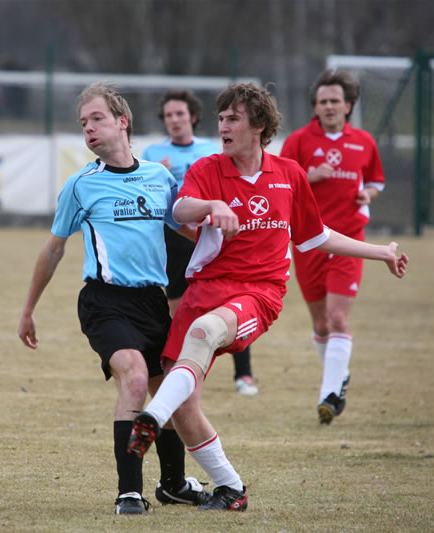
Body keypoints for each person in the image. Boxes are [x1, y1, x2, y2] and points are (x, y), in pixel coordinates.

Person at [126, 82, 408, 511]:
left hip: (260, 293)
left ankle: (150, 419)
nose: (223, 125)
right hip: (205, 289)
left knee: (202, 333)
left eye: (233, 118)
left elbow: (316, 237)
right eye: (220, 118)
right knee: (182, 402)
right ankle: (231, 488)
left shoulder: (289, 174)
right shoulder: (207, 169)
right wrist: (209, 208)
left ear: (258, 125)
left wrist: (379, 252)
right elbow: (180, 210)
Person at [17, 82, 212, 515]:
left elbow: (184, 231)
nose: (88, 128)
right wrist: (28, 310)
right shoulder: (81, 185)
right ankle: (129, 492)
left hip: (152, 303)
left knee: (169, 394)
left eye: (97, 118)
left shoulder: (159, 176)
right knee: (136, 377)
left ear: (122, 121)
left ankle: (175, 484)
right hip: (104, 302)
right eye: (83, 123)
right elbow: (53, 248)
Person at [279, 69, 386, 424]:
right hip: (308, 242)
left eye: (334, 101)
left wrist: (366, 193)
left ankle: (328, 394)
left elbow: (375, 181)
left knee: (339, 318)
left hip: (350, 240)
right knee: (322, 325)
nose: (328, 106)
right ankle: (338, 376)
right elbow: (279, 183)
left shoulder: (364, 142)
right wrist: (310, 176)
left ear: (348, 105)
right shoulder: (298, 141)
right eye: (322, 101)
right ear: (315, 106)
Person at [142, 89, 259, 396]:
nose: (174, 120)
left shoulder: (213, 149)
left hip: (214, 233)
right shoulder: (153, 155)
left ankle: (243, 376)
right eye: (168, 115)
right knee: (180, 307)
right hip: (174, 236)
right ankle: (184, 368)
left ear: (192, 116)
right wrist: (158, 177)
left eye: (180, 114)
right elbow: (147, 195)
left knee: (233, 300)